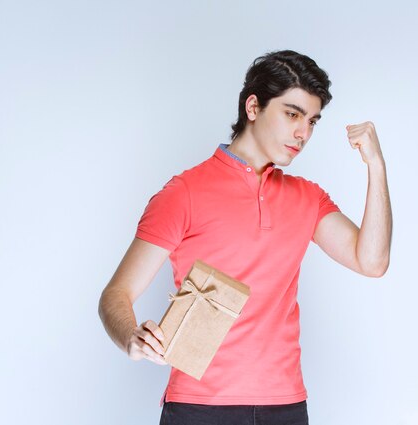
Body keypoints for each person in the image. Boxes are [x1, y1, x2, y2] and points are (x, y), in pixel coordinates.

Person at [98, 49, 392, 425]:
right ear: (253, 107)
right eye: (292, 114)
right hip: (199, 407)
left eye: (313, 121)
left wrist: (376, 166)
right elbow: (115, 294)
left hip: (285, 406)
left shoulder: (307, 197)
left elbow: (373, 261)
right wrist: (130, 337)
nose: (303, 133)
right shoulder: (184, 192)